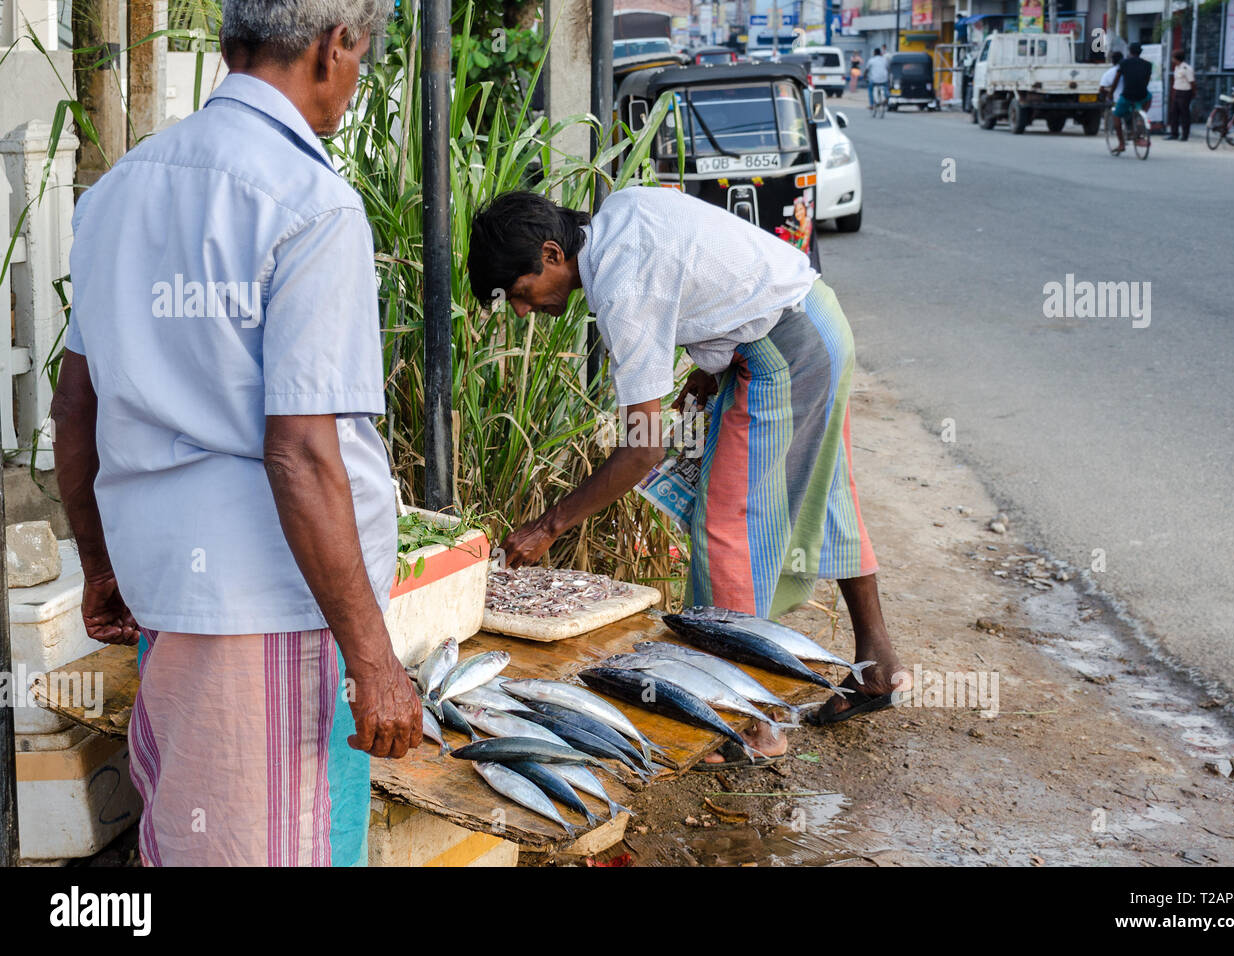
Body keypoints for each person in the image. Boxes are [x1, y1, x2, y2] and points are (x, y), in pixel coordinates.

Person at [50, 0, 422, 866]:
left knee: (190, 830)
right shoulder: (310, 202)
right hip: (270, 607)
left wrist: (102, 568)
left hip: (169, 590)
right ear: (337, 47)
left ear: (230, 46)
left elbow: (77, 408)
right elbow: (301, 452)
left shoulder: (116, 192)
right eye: (361, 60)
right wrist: (376, 662)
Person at [467, 188, 912, 766]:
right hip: (819, 321)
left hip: (785, 352)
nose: (525, 311)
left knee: (728, 527)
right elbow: (712, 269)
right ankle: (878, 667)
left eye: (522, 294)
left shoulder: (621, 289)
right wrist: (712, 360)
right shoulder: (621, 213)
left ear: (552, 254)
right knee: (830, 495)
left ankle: (753, 725)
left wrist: (549, 525)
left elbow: (643, 450)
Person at [1109, 43, 1153, 155]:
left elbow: (1116, 80)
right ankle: (1141, 116)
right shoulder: (1148, 64)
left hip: (1127, 95)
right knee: (1149, 96)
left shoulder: (1124, 63)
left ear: (1130, 52)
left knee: (1116, 116)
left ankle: (1121, 144)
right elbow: (1146, 81)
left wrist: (1111, 93)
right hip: (1142, 95)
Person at [1166, 49, 1195, 141]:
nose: (1172, 60)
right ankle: (1174, 133)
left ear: (1177, 58)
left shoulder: (1187, 68)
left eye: (1173, 57)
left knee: (1184, 114)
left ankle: (1185, 135)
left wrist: (1193, 93)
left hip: (1185, 92)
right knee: (1174, 113)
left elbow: (1192, 82)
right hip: (1177, 91)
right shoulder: (1177, 68)